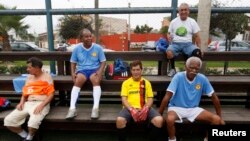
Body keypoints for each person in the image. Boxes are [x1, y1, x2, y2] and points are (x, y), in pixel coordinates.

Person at [158, 57, 225, 141]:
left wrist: (220, 116)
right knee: (169, 119)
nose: (193, 70)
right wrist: (159, 114)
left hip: (193, 109)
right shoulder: (178, 77)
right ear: (186, 67)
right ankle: (172, 139)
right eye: (191, 67)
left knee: (216, 120)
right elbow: (167, 96)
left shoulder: (202, 78)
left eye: (196, 68)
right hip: (176, 107)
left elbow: (214, 97)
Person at [4, 57, 55, 141]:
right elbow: (24, 94)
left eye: (29, 67)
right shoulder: (29, 78)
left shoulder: (47, 77)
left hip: (41, 102)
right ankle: (25, 136)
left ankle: (30, 137)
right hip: (28, 103)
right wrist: (21, 103)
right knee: (8, 121)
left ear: (37, 67)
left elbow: (51, 94)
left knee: (32, 124)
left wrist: (42, 105)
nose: (27, 69)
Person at [116, 60, 163, 141]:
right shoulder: (126, 83)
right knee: (120, 120)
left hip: (144, 107)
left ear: (141, 70)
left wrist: (146, 108)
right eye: (133, 70)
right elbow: (124, 99)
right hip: (129, 108)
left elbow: (150, 98)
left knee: (159, 120)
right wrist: (131, 109)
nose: (136, 72)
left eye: (138, 70)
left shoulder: (146, 83)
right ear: (131, 71)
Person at [65, 28, 106, 120]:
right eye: (86, 36)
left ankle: (95, 108)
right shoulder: (77, 49)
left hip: (94, 70)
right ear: (81, 38)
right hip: (82, 70)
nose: (89, 38)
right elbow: (73, 62)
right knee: (78, 80)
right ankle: (72, 109)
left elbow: (103, 61)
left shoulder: (97, 48)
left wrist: (99, 72)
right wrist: (72, 73)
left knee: (95, 80)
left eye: (90, 36)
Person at [166, 3, 202, 77]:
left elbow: (197, 36)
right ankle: (172, 69)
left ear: (188, 11)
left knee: (197, 52)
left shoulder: (192, 21)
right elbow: (168, 33)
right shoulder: (174, 21)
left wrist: (200, 48)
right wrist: (168, 36)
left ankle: (191, 71)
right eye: (181, 10)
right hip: (175, 44)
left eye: (185, 10)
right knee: (169, 52)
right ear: (178, 12)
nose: (183, 12)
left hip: (188, 44)